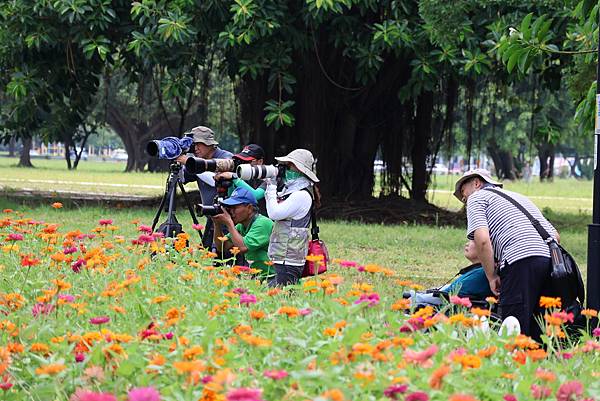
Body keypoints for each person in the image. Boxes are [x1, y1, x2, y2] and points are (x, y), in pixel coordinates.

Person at [454, 169, 559, 340]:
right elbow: (555, 236)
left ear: (476, 183)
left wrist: (491, 276)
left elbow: (481, 240)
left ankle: (514, 363)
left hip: (518, 260)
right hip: (548, 261)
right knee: (539, 325)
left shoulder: (477, 198)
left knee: (513, 324)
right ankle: (539, 363)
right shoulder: (520, 198)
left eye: (463, 194)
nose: (464, 200)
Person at [265, 149, 320, 287]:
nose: (285, 169)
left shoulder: (301, 195)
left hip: (288, 259)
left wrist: (271, 187)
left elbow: (274, 213)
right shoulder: (295, 191)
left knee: (282, 299)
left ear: (300, 170)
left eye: (289, 165)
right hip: (284, 256)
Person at [175, 126, 233, 248]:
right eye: (193, 144)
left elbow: (217, 180)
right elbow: (182, 178)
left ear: (209, 144)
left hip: (228, 218)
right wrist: (178, 161)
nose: (195, 148)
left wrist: (193, 164)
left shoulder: (226, 157)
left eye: (198, 144)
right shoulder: (197, 160)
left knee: (223, 255)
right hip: (211, 217)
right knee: (207, 255)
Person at [211, 187, 274, 279]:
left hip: (274, 276)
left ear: (249, 208)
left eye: (234, 208)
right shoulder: (242, 226)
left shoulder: (262, 223)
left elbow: (243, 247)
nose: (231, 212)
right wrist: (217, 224)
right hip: (258, 276)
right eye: (229, 208)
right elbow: (222, 247)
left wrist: (229, 223)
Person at [406, 240, 493, 306]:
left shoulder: (480, 274)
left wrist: (415, 297)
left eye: (473, 240)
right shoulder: (478, 271)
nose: (467, 243)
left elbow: (446, 296)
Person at [214, 144, 268, 215]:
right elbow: (232, 197)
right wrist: (228, 181)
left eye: (248, 161)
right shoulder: (243, 179)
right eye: (241, 161)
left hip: (263, 221)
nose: (243, 165)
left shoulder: (269, 178)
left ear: (260, 161)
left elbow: (255, 196)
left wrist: (234, 177)